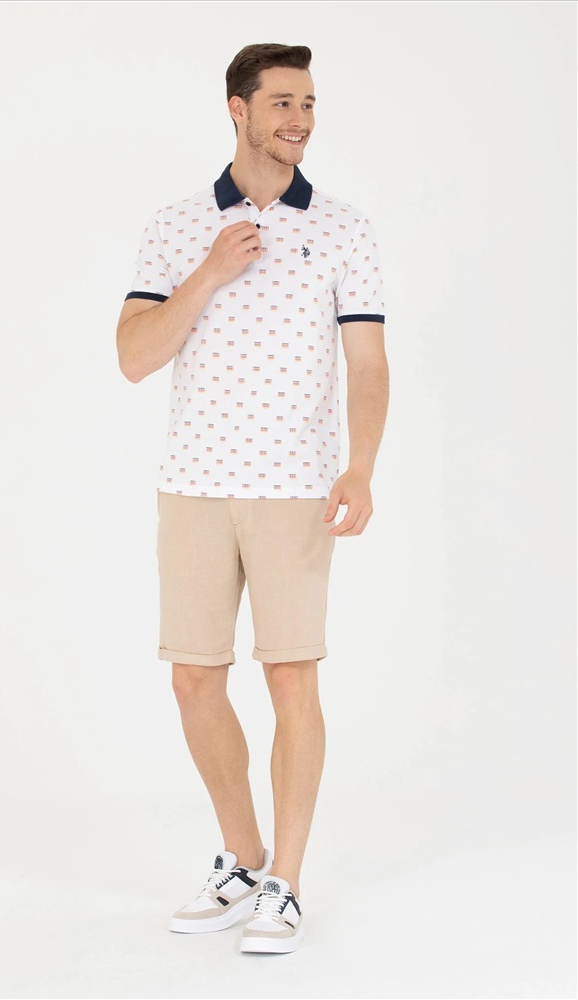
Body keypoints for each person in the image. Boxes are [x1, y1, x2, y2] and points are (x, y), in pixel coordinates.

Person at [115, 42, 389, 954]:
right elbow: (134, 357)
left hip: (294, 488)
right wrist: (208, 272)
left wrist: (361, 466)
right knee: (193, 677)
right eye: (281, 103)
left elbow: (367, 361)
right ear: (238, 109)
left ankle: (287, 883)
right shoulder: (175, 225)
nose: (299, 119)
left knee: (290, 676)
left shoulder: (343, 228)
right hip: (193, 485)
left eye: (307, 102)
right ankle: (241, 855)